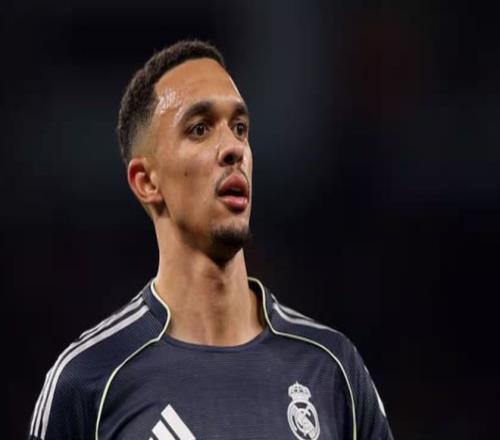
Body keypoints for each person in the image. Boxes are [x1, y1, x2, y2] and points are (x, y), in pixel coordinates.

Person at [28, 40, 394, 440]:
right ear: (147, 181)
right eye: (199, 129)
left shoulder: (332, 368)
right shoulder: (89, 381)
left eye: (240, 128)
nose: (233, 148)